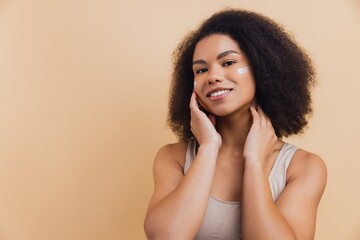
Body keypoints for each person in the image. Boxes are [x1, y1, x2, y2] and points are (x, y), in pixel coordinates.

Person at [144, 8, 327, 240]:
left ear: (263, 69)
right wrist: (208, 148)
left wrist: (254, 162)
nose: (212, 76)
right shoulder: (173, 158)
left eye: (228, 62)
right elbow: (166, 237)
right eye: (201, 70)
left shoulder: (304, 167)